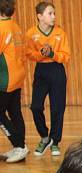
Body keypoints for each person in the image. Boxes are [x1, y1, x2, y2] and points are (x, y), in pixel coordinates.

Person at [25, 1, 68, 158]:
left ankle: (55, 141)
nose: (53, 17)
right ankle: (45, 136)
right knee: (36, 106)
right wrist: (41, 54)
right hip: (41, 71)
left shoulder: (60, 33)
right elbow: (29, 54)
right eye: (50, 13)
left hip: (57, 71)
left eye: (54, 13)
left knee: (57, 108)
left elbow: (66, 56)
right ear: (39, 16)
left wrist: (52, 54)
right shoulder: (31, 33)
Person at [0, 0, 27, 164]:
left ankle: (19, 145)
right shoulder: (14, 26)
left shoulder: (1, 28)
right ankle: (20, 147)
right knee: (15, 112)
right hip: (17, 75)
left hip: (5, 78)